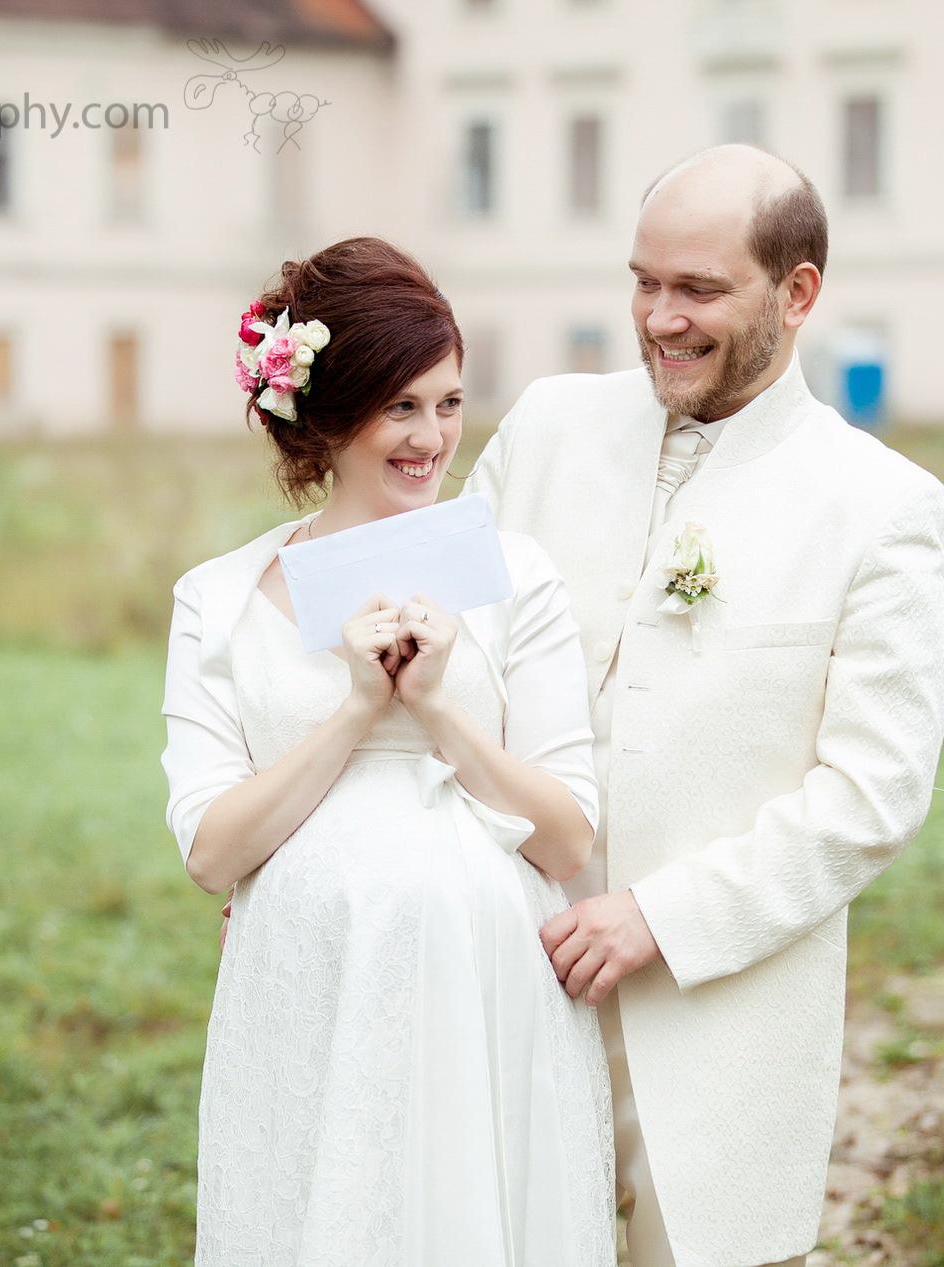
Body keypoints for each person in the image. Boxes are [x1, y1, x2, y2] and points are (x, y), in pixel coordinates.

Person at [461, 145, 944, 1267]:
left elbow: (873, 793)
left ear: (798, 292)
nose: (657, 318)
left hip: (710, 1021)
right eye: (643, 281)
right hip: (501, 981)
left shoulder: (881, 506)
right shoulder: (542, 426)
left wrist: (658, 918)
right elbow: (438, 656)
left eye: (697, 290)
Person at [159, 237, 615, 1266]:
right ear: (325, 415)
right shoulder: (219, 599)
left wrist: (443, 710)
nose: (430, 437)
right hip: (310, 978)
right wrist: (357, 709)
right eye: (398, 406)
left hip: (484, 981)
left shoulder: (514, 574)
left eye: (448, 402)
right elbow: (210, 851)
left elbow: (567, 836)